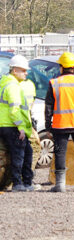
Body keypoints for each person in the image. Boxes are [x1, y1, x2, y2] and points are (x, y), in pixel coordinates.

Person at [45, 52, 74, 192]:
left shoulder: (55, 83)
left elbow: (48, 107)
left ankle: (60, 185)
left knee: (60, 153)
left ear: (61, 67)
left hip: (61, 125)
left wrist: (48, 126)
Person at [0, 55, 36, 192]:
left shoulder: (4, 82)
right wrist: (21, 127)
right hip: (12, 125)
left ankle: (26, 181)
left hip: (4, 124)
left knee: (26, 152)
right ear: (15, 70)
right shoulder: (13, 86)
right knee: (19, 154)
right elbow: (14, 110)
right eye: (23, 70)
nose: (26, 73)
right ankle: (18, 183)